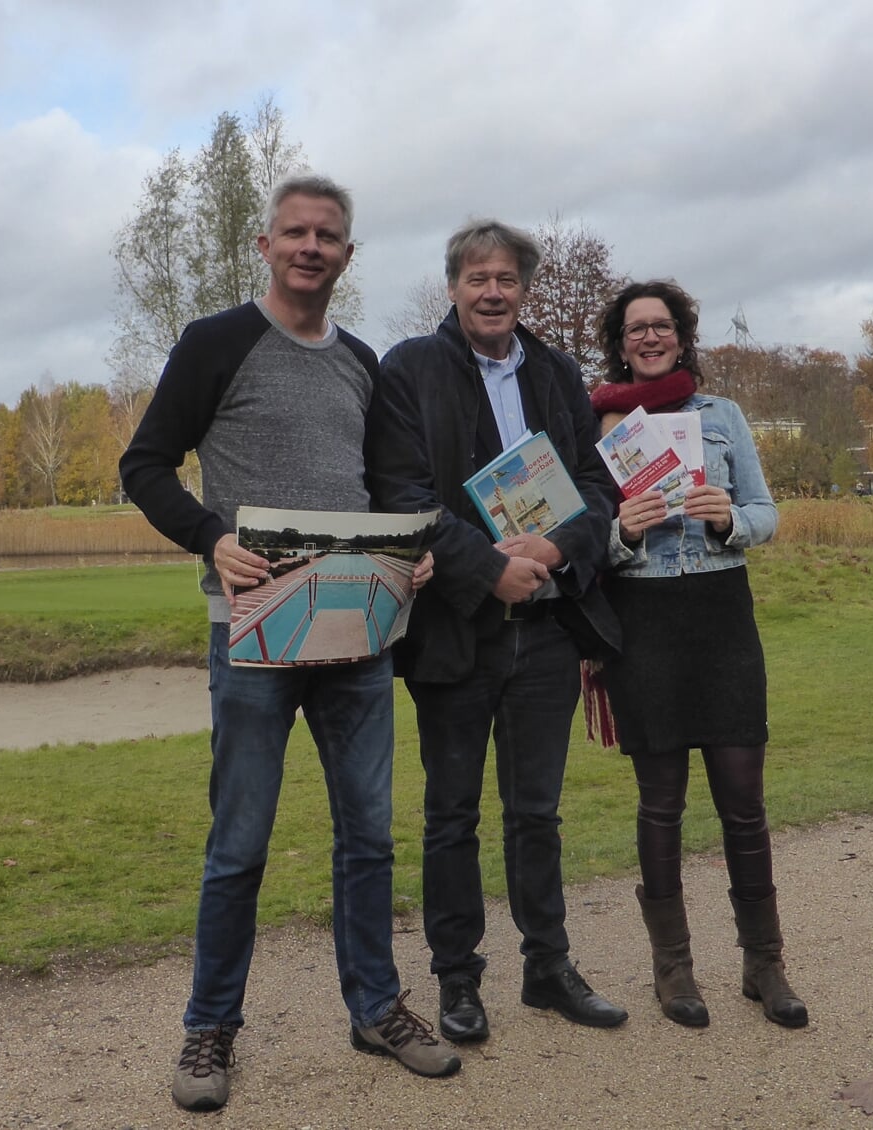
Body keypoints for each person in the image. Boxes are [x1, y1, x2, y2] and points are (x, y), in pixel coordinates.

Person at [118, 174, 458, 1113]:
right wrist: (209, 538)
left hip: (357, 635)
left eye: (330, 235)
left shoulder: (361, 360)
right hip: (254, 640)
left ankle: (377, 1008)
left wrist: (412, 554)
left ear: (348, 255)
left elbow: (390, 486)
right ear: (266, 246)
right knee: (238, 845)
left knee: (368, 839)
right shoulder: (217, 344)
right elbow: (142, 464)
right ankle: (210, 1027)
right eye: (296, 232)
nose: (312, 246)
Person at [366, 219, 627, 1043]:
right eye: (476, 278)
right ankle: (457, 980)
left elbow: (594, 482)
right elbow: (401, 494)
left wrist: (552, 549)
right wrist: (489, 568)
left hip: (548, 628)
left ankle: (548, 966)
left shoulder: (556, 370)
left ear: (525, 289)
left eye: (506, 279)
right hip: (457, 631)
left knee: (536, 814)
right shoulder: (410, 368)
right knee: (451, 816)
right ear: (452, 287)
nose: (491, 291)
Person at [589, 279, 808, 1030]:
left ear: (681, 337)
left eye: (661, 326)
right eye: (634, 328)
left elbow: (766, 513)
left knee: (743, 803)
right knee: (662, 804)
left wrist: (727, 520)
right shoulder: (598, 426)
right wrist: (620, 530)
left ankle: (764, 963)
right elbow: (584, 539)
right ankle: (674, 970)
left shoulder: (723, 418)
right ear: (620, 342)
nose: (648, 337)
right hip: (643, 618)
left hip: (720, 613)